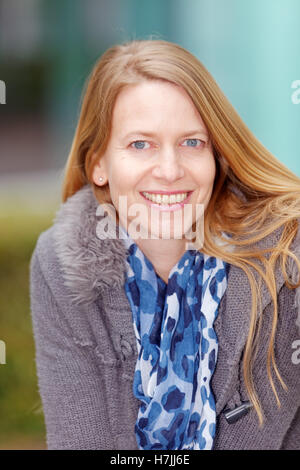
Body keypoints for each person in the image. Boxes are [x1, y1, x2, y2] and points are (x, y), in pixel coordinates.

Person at [29, 39, 300, 450]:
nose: (170, 171)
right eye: (141, 144)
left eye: (192, 142)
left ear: (217, 154)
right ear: (98, 163)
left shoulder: (286, 254)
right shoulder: (61, 264)